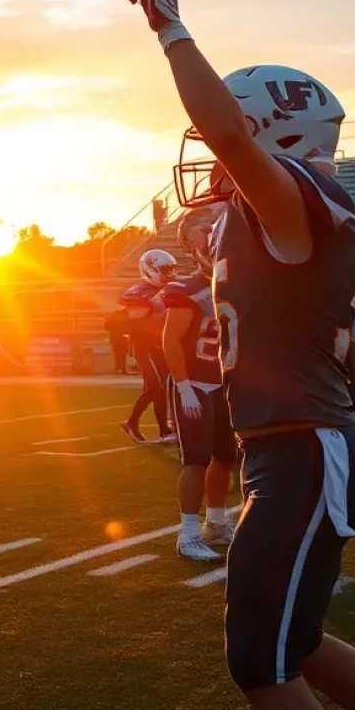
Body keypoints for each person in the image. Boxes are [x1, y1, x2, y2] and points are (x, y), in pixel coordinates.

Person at [127, 0, 355, 710]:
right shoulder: (276, 219)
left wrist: (169, 26)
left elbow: (226, 133)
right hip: (288, 445)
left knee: (261, 660)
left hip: (302, 446)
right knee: (293, 641)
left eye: (234, 141)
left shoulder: (296, 204)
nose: (213, 158)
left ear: (272, 139)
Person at [161, 209, 236, 561]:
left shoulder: (234, 283)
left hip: (224, 383)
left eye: (213, 228)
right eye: (203, 231)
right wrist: (184, 385)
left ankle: (216, 524)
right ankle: (187, 534)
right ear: (189, 244)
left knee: (225, 456)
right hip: (195, 384)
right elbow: (171, 341)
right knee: (195, 459)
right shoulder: (186, 288)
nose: (211, 235)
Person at [120, 249, 178, 444]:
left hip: (158, 344)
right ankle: (131, 422)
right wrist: (154, 302)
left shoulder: (167, 288)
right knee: (155, 386)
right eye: (164, 269)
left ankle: (164, 430)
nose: (169, 273)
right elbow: (130, 304)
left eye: (170, 269)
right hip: (143, 345)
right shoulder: (139, 290)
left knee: (161, 388)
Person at [104, 307, 131, 375]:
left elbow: (106, 325)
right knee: (123, 353)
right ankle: (122, 369)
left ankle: (119, 368)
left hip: (116, 336)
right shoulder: (125, 315)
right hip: (121, 336)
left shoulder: (115, 315)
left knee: (118, 353)